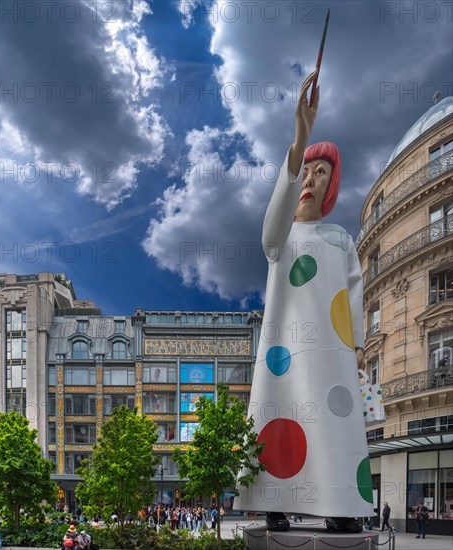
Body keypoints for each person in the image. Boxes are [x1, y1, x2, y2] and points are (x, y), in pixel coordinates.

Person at [233, 69, 373, 531]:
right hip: (284, 346)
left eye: (321, 171)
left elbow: (354, 290)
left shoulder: (340, 239)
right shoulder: (283, 237)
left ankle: (340, 507)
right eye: (307, 170)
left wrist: (356, 346)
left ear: (332, 185)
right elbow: (270, 231)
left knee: (331, 424)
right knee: (281, 413)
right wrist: (301, 137)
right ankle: (274, 501)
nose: (311, 178)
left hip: (331, 346)